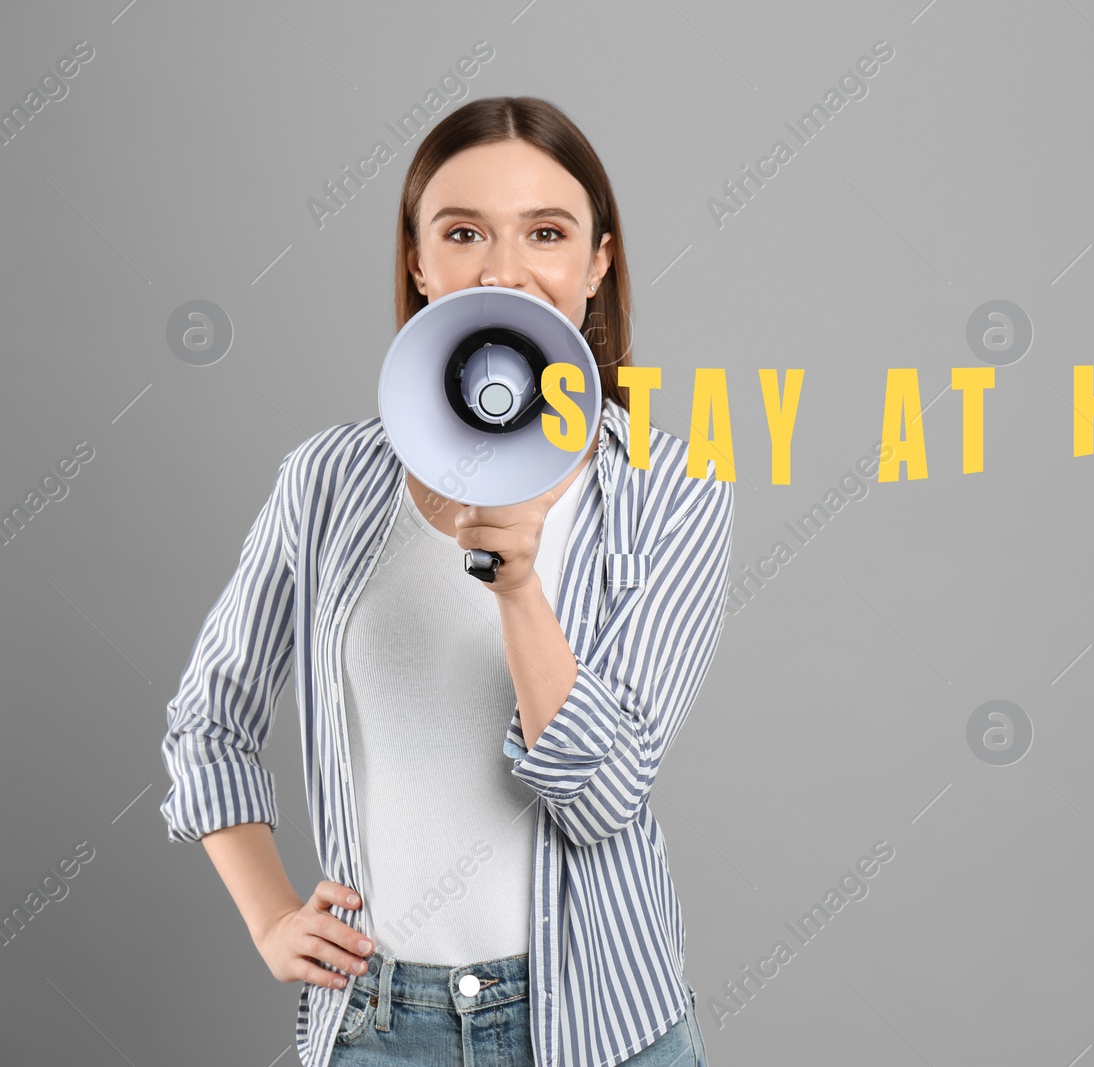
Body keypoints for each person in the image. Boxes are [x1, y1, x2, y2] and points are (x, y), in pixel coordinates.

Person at [158, 96, 733, 1067]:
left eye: (545, 233)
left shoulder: (671, 493)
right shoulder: (329, 481)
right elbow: (209, 719)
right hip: (380, 1022)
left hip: (601, 1019)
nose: (503, 269)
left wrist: (517, 587)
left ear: (596, 263)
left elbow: (600, 797)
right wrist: (268, 916)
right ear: (419, 264)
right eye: (462, 232)